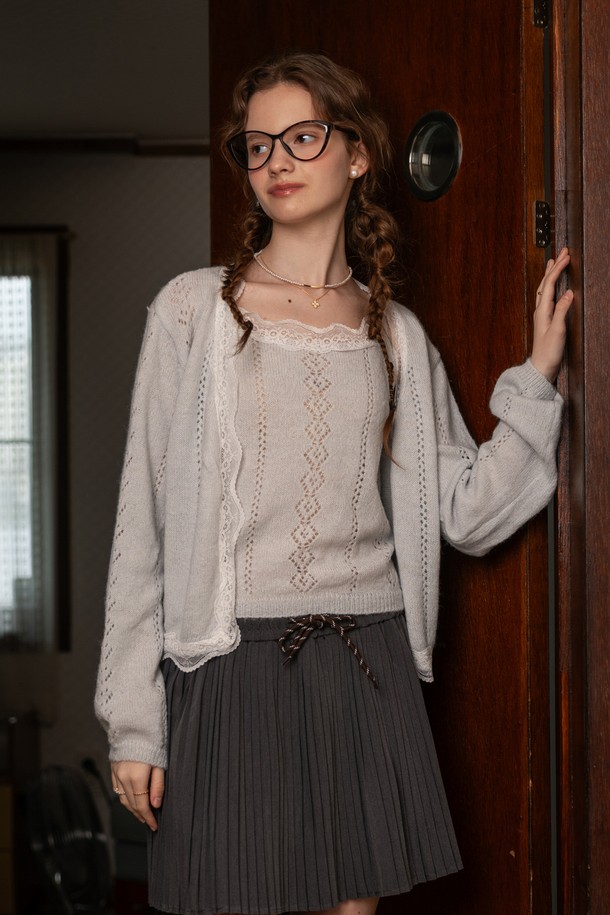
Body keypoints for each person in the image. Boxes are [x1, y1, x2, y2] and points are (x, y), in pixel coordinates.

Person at [94, 51, 572, 915]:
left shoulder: (396, 335)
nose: (275, 160)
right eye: (257, 145)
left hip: (364, 660)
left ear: (357, 154)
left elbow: (464, 509)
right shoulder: (193, 312)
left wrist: (536, 378)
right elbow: (144, 527)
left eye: (301, 137)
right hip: (232, 664)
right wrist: (135, 720)